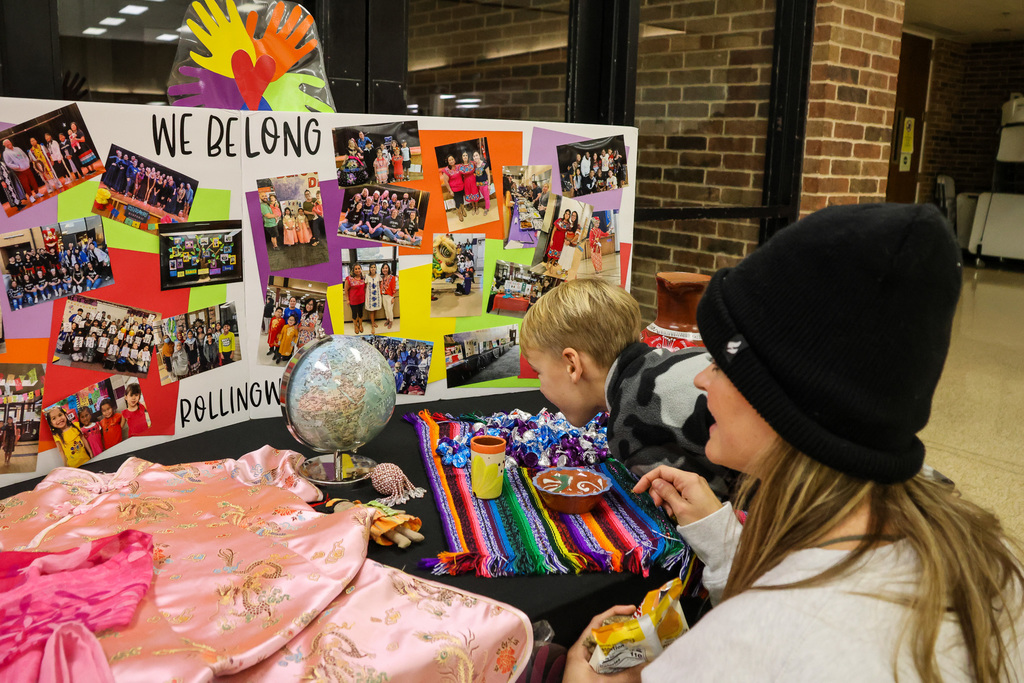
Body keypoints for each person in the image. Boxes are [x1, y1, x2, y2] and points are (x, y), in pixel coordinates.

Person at [559, 203, 1024, 682]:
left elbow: (771, 638)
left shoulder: (759, 639)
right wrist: (722, 543)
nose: (700, 379)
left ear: (782, 403)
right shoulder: (990, 561)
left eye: (721, 364)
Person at [520, 277, 731, 492]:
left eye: (538, 372)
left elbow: (705, 501)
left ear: (572, 365)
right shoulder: (671, 361)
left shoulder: (629, 431)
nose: (540, 385)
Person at [439, 154, 467, 223]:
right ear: (448, 162)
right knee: (457, 202)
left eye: (452, 159)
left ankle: (463, 210)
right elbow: (446, 182)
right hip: (454, 190)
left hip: (461, 187)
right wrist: (450, 191)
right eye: (450, 160)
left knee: (462, 200)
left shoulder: (458, 167)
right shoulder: (446, 170)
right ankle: (459, 213)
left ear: (454, 160)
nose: (451, 161)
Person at [344, 263, 367, 334]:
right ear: (353, 270)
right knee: (354, 314)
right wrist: (347, 299)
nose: (357, 270)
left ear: (361, 269)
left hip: (362, 299)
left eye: (359, 268)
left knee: (360, 313)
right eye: (356, 269)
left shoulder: (363, 278)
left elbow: (365, 288)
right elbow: (346, 290)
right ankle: (355, 326)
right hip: (353, 300)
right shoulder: (349, 278)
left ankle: (360, 325)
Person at [365, 263, 383, 334]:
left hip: (376, 296)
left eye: (374, 267)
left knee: (375, 310)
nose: (373, 268)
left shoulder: (378, 276)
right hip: (370, 296)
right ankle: (372, 326)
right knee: (371, 311)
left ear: (376, 268)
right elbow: (365, 287)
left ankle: (373, 321)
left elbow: (380, 284)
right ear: (369, 269)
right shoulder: (367, 276)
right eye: (371, 267)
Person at [380, 263, 399, 330]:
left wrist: (393, 297)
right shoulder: (382, 278)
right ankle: (387, 319)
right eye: (383, 268)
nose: (385, 269)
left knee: (390, 310)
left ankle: (391, 321)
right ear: (382, 269)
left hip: (390, 296)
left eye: (386, 268)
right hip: (383, 296)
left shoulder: (392, 277)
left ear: (388, 269)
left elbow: (394, 287)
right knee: (386, 309)